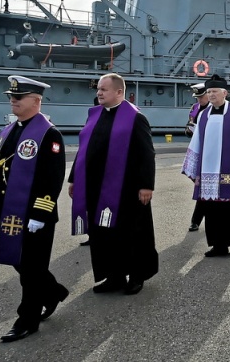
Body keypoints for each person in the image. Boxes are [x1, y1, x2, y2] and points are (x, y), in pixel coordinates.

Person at [0, 76, 68, 343]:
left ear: (36, 100)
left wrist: (41, 213)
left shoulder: (49, 134)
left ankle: (27, 320)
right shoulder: (9, 131)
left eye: (19, 97)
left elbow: (53, 177)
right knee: (20, 263)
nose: (13, 100)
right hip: (9, 210)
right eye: (12, 96)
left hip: (34, 215)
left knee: (31, 269)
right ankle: (52, 292)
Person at [69, 73, 158, 294]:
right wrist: (74, 179)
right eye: (98, 89)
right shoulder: (94, 115)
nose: (99, 93)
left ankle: (137, 275)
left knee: (132, 233)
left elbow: (147, 154)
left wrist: (147, 185)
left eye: (104, 89)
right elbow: (84, 150)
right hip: (96, 188)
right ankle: (113, 276)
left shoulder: (136, 118)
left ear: (119, 92)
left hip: (128, 190)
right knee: (102, 234)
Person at [181, 74, 230, 255]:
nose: (211, 95)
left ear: (225, 92)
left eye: (214, 91)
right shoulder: (203, 115)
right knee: (212, 208)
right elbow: (197, 140)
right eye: (208, 92)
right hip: (208, 169)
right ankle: (219, 245)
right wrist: (192, 166)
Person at [185, 83, 209, 232]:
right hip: (198, 151)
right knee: (201, 186)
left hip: (211, 152)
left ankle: (196, 221)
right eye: (197, 97)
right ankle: (196, 220)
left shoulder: (214, 111)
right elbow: (190, 124)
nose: (199, 99)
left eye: (201, 96)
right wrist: (188, 130)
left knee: (204, 187)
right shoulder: (194, 108)